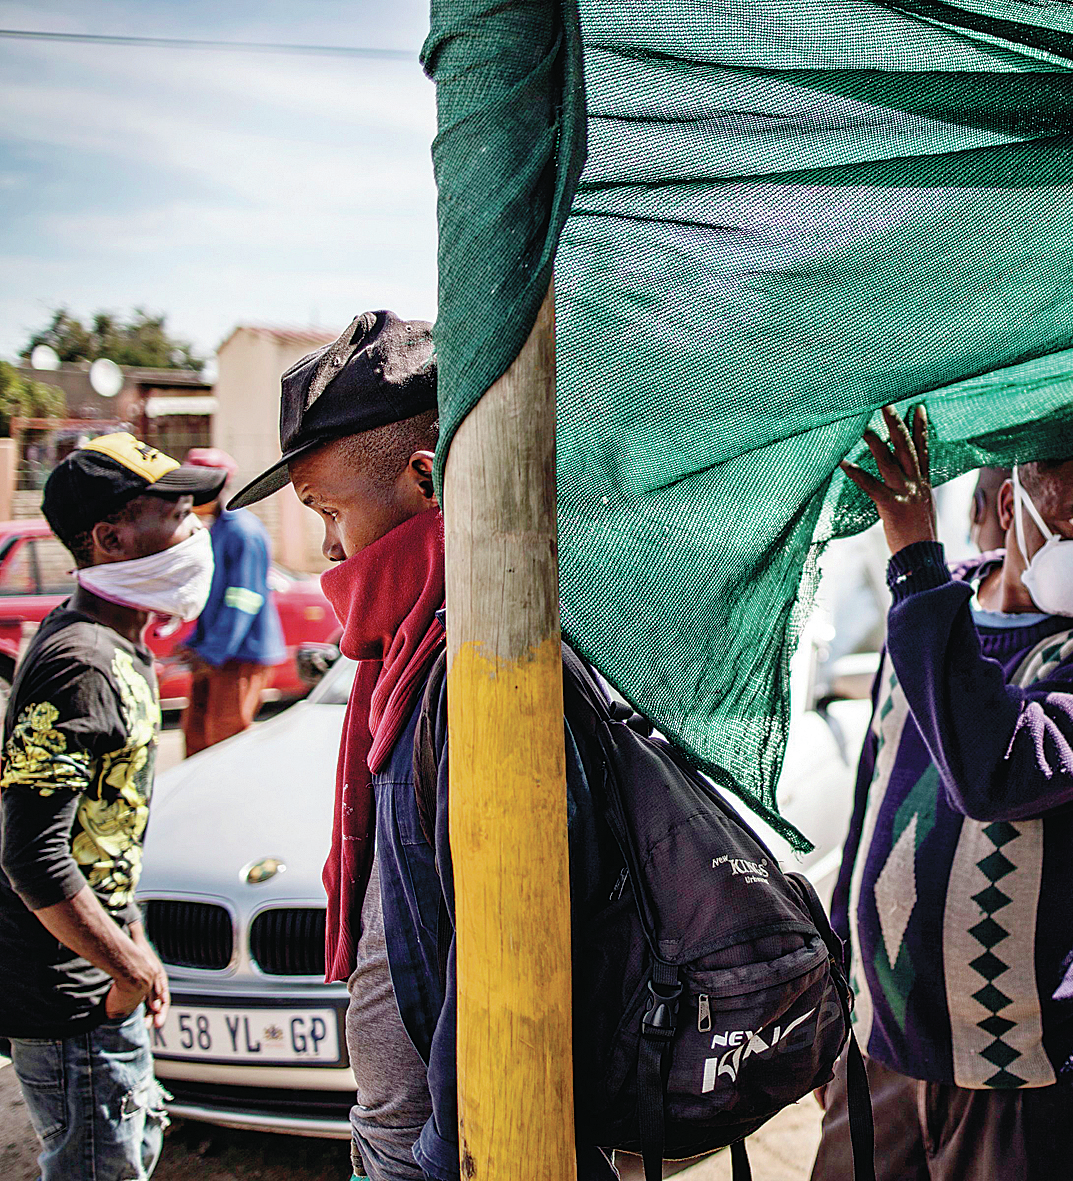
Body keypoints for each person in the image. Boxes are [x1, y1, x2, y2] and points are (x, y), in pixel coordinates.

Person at [227, 311, 617, 1181]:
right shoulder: (404, 659)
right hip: (409, 1139)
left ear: (427, 480)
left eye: (330, 511)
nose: (326, 547)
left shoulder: (480, 673)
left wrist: (439, 1155)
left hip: (456, 1150)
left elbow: (499, 957)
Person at [818, 406, 1073, 1181]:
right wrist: (835, 991)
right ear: (1016, 506)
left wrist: (914, 556)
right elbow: (873, 803)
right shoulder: (935, 609)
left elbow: (998, 773)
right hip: (882, 1053)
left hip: (1025, 1072)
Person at [0, 434, 227, 1181]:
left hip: (98, 985)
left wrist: (133, 940)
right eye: (176, 514)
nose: (197, 531)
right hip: (71, 1003)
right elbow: (32, 853)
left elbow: (103, 836)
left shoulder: (117, 645)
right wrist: (127, 966)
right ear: (110, 538)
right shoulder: (81, 662)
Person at [178, 447, 284, 754]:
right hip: (215, 652)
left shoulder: (242, 532)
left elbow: (243, 600)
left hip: (239, 655)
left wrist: (211, 651)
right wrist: (195, 641)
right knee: (196, 737)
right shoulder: (215, 530)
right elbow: (212, 598)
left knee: (225, 741)